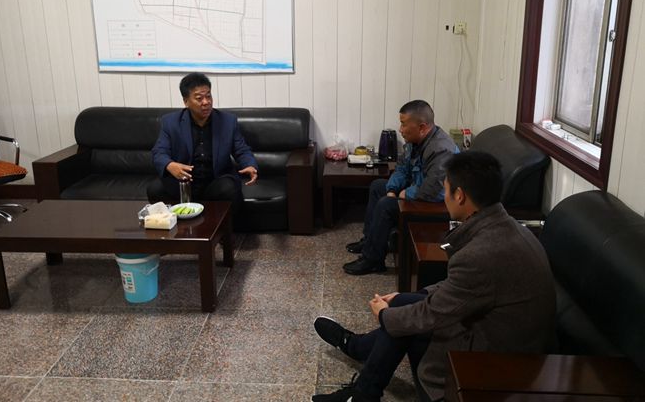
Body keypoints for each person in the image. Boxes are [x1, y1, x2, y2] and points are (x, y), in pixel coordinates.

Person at [313, 151, 556, 402]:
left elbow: (433, 313)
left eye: (446, 188)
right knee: (402, 304)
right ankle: (357, 350)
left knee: (402, 320)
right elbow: (463, 289)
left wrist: (384, 315)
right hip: (496, 327)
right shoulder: (508, 227)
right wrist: (410, 297)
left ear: (459, 195)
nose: (444, 195)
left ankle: (362, 388)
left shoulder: (481, 254)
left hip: (498, 357)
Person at [344, 100, 458, 275]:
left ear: (422, 127)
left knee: (386, 205)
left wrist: (406, 193)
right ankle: (369, 241)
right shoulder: (415, 141)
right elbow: (402, 168)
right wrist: (392, 190)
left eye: (404, 124)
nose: (400, 129)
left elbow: (433, 191)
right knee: (378, 186)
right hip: (420, 191)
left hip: (438, 205)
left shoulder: (442, 149)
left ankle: (373, 259)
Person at [147, 72, 258, 210]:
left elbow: (241, 150)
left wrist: (250, 165)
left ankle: (225, 225)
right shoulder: (171, 122)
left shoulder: (227, 121)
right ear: (186, 101)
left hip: (215, 182)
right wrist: (170, 165)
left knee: (229, 187)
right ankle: (176, 223)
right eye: (199, 98)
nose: (206, 102)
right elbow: (159, 152)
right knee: (155, 188)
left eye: (208, 96)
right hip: (184, 183)